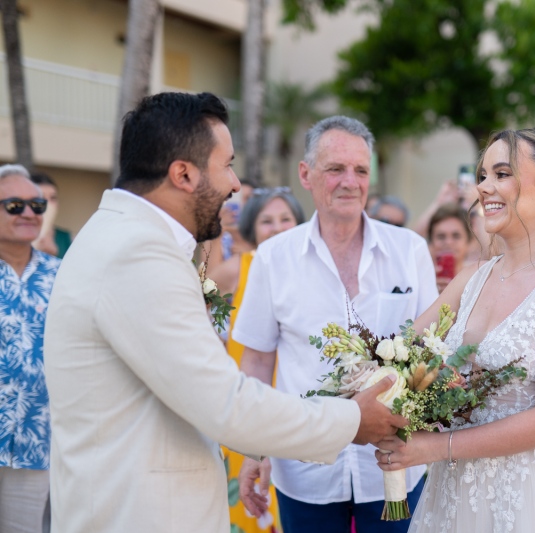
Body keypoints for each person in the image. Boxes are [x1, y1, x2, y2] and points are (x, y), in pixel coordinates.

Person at [43, 93, 407, 533]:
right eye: (227, 165)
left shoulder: (120, 236)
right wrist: (351, 420)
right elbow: (225, 403)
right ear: (183, 174)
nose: (235, 184)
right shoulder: (137, 253)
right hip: (139, 513)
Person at [373, 126, 535, 532]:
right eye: (482, 176)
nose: (485, 188)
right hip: (456, 490)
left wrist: (435, 447)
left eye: (502, 174)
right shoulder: (471, 278)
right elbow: (397, 356)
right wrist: (369, 400)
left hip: (532, 491)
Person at [233, 116, 439, 533]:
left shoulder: (409, 250)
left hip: (395, 467)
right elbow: (255, 364)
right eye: (336, 169)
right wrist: (254, 450)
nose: (350, 181)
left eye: (361, 170)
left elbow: (432, 353)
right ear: (306, 175)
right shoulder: (272, 258)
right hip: (304, 470)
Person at [210, 187, 306, 533]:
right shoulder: (237, 269)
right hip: (248, 402)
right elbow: (198, 317)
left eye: (286, 219)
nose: (278, 227)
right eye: (267, 221)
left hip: (299, 405)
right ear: (252, 228)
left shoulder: (312, 271)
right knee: (250, 505)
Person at [0, 164, 60, 533]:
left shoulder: (65, 275)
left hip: (38, 445)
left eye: (37, 206)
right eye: (14, 205)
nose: (28, 214)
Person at [427, 203, 472, 292]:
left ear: (468, 241)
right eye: (441, 236)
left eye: (456, 236)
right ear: (431, 242)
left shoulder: (479, 278)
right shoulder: (420, 280)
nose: (448, 243)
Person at [30, 172, 72, 258]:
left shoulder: (68, 239)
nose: (48, 205)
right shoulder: (16, 236)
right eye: (41, 198)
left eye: (53, 198)